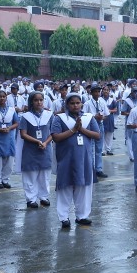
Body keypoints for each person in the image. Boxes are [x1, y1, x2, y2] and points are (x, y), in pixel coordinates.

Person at [50, 93, 101, 229]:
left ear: (82, 104)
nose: (75, 105)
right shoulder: (59, 118)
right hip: (66, 158)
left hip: (84, 159)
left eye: (78, 103)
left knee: (83, 187)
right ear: (67, 105)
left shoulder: (88, 118)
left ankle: (82, 216)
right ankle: (64, 217)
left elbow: (97, 135)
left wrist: (81, 129)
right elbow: (56, 137)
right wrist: (73, 130)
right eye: (72, 103)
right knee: (65, 187)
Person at [17, 91, 53, 208]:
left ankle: (43, 197)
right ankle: (31, 199)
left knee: (44, 174)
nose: (39, 102)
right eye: (36, 100)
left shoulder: (49, 115)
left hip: (45, 148)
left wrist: (46, 142)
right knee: (30, 174)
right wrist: (37, 141)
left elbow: (53, 132)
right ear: (31, 102)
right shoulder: (26, 117)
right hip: (30, 149)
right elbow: (23, 134)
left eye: (41, 100)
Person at [83, 84, 109, 180]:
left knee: (99, 148)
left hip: (100, 125)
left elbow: (106, 114)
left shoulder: (102, 102)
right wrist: (95, 117)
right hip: (91, 127)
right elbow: (84, 116)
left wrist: (102, 118)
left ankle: (99, 169)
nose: (97, 93)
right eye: (95, 91)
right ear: (91, 92)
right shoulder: (87, 103)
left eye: (98, 91)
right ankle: (91, 169)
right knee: (91, 148)